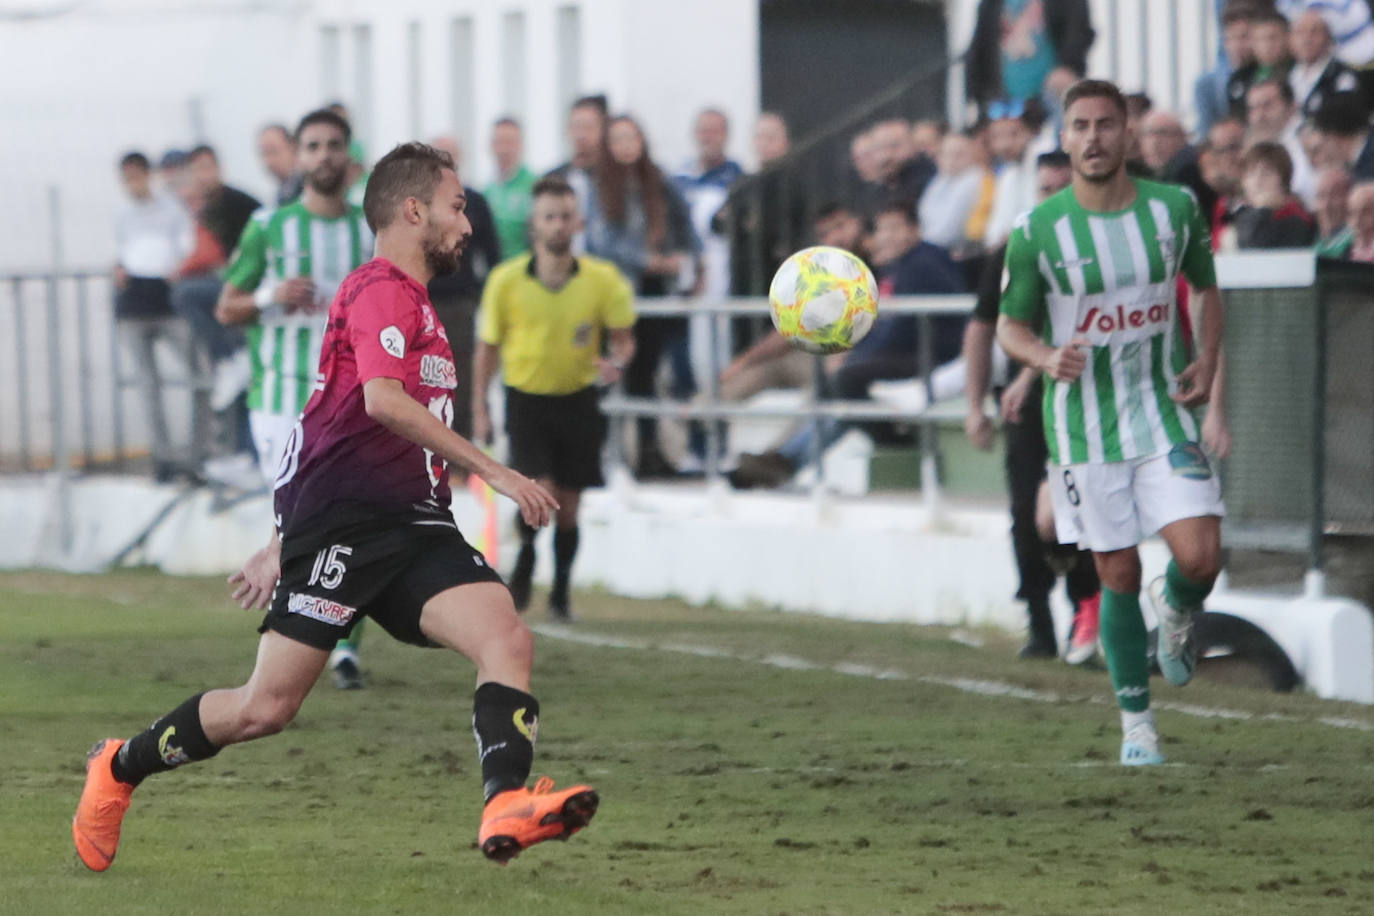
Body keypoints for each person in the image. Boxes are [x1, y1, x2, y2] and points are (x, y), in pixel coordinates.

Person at [72, 141, 596, 873]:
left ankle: (504, 800)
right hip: (345, 531)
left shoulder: (417, 304)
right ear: (414, 211)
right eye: (455, 207)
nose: (468, 224)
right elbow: (381, 404)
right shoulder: (379, 287)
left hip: (413, 526)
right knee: (265, 709)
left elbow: (332, 427)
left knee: (506, 638)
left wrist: (285, 532)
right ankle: (118, 768)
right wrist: (495, 472)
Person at [997, 79, 1227, 767]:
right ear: (1064, 138)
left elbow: (1208, 291)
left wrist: (1208, 361)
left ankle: (1180, 610)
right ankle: (1138, 727)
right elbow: (1010, 325)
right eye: (1080, 126)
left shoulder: (1175, 210)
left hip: (1162, 413)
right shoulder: (1038, 231)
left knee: (1200, 556)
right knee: (1117, 571)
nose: (1093, 138)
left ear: (1127, 133)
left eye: (1105, 124)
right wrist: (1043, 354)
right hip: (1082, 430)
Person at [215, 109, 377, 689]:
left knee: (347, 518)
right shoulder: (270, 228)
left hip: (350, 400)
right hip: (281, 400)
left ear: (349, 156)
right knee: (307, 521)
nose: (324, 155)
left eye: (334, 144)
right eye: (313, 146)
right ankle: (302, 644)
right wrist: (268, 294)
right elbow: (226, 307)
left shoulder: (370, 232)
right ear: (299, 157)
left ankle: (341, 648)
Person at [473, 177, 636, 621]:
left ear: (578, 222)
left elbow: (623, 340)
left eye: (566, 216)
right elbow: (486, 348)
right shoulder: (506, 281)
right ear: (534, 224)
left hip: (579, 401)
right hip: (525, 401)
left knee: (569, 507)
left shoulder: (603, 280)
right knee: (537, 494)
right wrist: (479, 407)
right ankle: (526, 556)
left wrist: (616, 361)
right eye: (550, 216)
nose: (558, 225)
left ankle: (561, 591)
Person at [965, 150, 1102, 663]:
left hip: (1082, 395)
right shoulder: (1012, 251)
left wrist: (1029, 372)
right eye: (1044, 189)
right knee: (1027, 513)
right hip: (1029, 403)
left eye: (1061, 188)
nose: (1053, 199)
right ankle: (1041, 626)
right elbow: (983, 327)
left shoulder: (1096, 252)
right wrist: (975, 405)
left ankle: (1085, 608)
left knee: (1071, 512)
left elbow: (1084, 322)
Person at [730, 201, 966, 490]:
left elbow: (904, 330)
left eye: (895, 228)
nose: (886, 237)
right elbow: (885, 328)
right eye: (881, 229)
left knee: (848, 380)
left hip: (936, 358)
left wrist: (855, 356)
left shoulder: (924, 263)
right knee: (836, 383)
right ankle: (784, 459)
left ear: (913, 230)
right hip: (906, 354)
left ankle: (889, 441)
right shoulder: (897, 267)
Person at [586, 113, 700, 479]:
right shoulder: (600, 187)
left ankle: (650, 453)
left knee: (647, 376)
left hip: (657, 294)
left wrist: (686, 261)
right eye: (617, 139)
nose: (625, 146)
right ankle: (604, 459)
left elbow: (686, 227)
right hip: (620, 293)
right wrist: (649, 261)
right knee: (613, 374)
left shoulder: (660, 182)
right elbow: (602, 242)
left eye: (630, 137)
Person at [113, 151, 194, 483]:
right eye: (127, 178)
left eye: (137, 176)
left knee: (197, 374)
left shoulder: (172, 209)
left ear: (148, 175)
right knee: (149, 385)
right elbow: (125, 253)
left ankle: (198, 451)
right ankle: (164, 456)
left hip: (166, 301)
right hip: (134, 303)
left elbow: (181, 250)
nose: (133, 184)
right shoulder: (123, 215)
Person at [427, 135, 503, 441]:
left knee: (463, 374)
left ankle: (465, 445)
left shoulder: (476, 201)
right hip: (424, 299)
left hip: (460, 302)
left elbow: (492, 253)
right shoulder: (420, 203)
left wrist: (486, 296)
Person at [966, 0, 1094, 116]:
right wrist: (974, 100)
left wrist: (1067, 67)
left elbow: (1080, 32)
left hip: (1051, 100)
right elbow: (978, 50)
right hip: (1004, 107)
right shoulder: (991, 4)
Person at [1224, 141, 1317, 249]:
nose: (1257, 180)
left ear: (1283, 180)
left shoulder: (1298, 219)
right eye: (1251, 173)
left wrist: (1264, 209)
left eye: (1266, 173)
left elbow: (1255, 247)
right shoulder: (1241, 216)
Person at [1245, 77, 1317, 205]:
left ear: (1292, 106)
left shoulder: (1310, 141)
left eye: (1267, 105)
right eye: (1253, 108)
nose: (1259, 116)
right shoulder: (1253, 149)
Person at [1289, 9, 1363, 120]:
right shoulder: (1292, 75)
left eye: (1314, 32)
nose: (1306, 39)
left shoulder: (1342, 76)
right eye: (1300, 32)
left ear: (1328, 37)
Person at [1196, 2, 1257, 139]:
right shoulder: (1209, 85)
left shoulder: (1266, 75)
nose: (1237, 45)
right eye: (1230, 38)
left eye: (1244, 37)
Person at [484, 117, 537, 259]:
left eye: (509, 142)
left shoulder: (535, 185)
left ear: (521, 145)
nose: (504, 149)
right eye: (499, 142)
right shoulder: (486, 191)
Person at [257, 123, 303, 205]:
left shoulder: (310, 187)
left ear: (293, 147)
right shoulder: (281, 193)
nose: (268, 161)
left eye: (273, 151)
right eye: (264, 154)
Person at [1314, 165, 1355, 255]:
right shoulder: (1307, 238)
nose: (1326, 205)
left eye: (1334, 195)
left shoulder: (1358, 244)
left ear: (1350, 198)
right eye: (1321, 196)